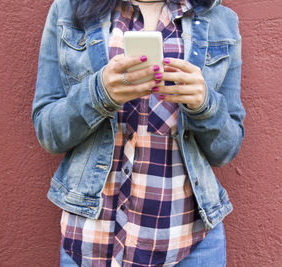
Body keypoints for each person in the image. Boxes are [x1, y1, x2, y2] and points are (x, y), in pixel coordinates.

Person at [31, 0, 245, 265]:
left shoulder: (220, 21)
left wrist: (205, 105)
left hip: (189, 243)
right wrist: (100, 94)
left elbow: (227, 148)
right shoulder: (68, 11)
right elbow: (48, 132)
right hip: (90, 243)